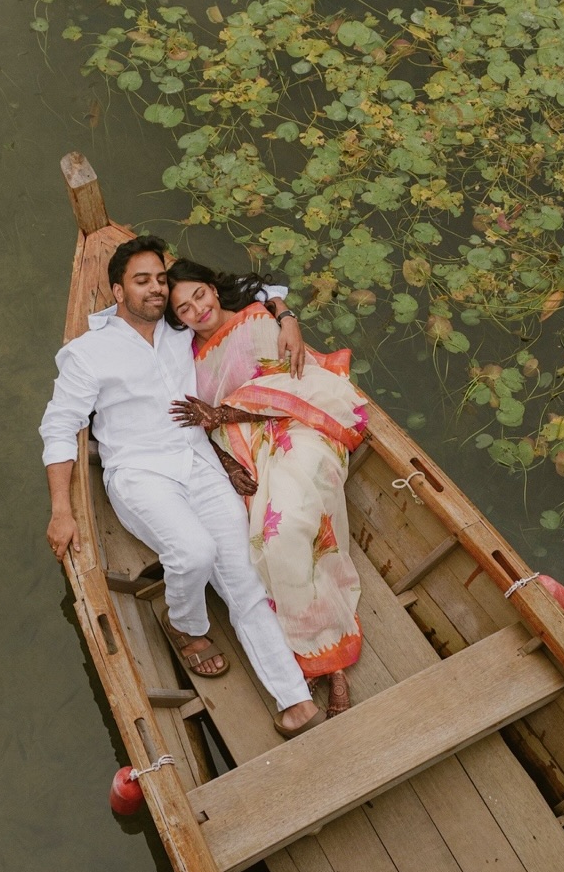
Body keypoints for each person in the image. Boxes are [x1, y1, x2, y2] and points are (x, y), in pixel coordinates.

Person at [40, 235, 326, 737]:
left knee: (243, 578)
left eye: (160, 279)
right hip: (138, 474)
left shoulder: (178, 326)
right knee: (193, 552)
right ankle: (186, 625)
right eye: (141, 280)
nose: (155, 289)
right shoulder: (87, 353)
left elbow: (261, 289)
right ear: (116, 290)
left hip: (198, 463)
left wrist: (287, 319)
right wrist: (62, 509)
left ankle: (294, 699)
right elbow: (59, 427)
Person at [166, 259, 368, 715]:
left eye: (199, 295)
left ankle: (329, 659)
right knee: (254, 546)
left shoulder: (258, 317)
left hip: (301, 428)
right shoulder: (186, 360)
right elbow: (199, 423)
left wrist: (284, 314)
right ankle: (314, 656)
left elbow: (293, 383)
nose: (196, 309)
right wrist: (225, 459)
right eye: (182, 309)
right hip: (244, 453)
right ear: (175, 319)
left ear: (213, 289)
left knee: (285, 530)